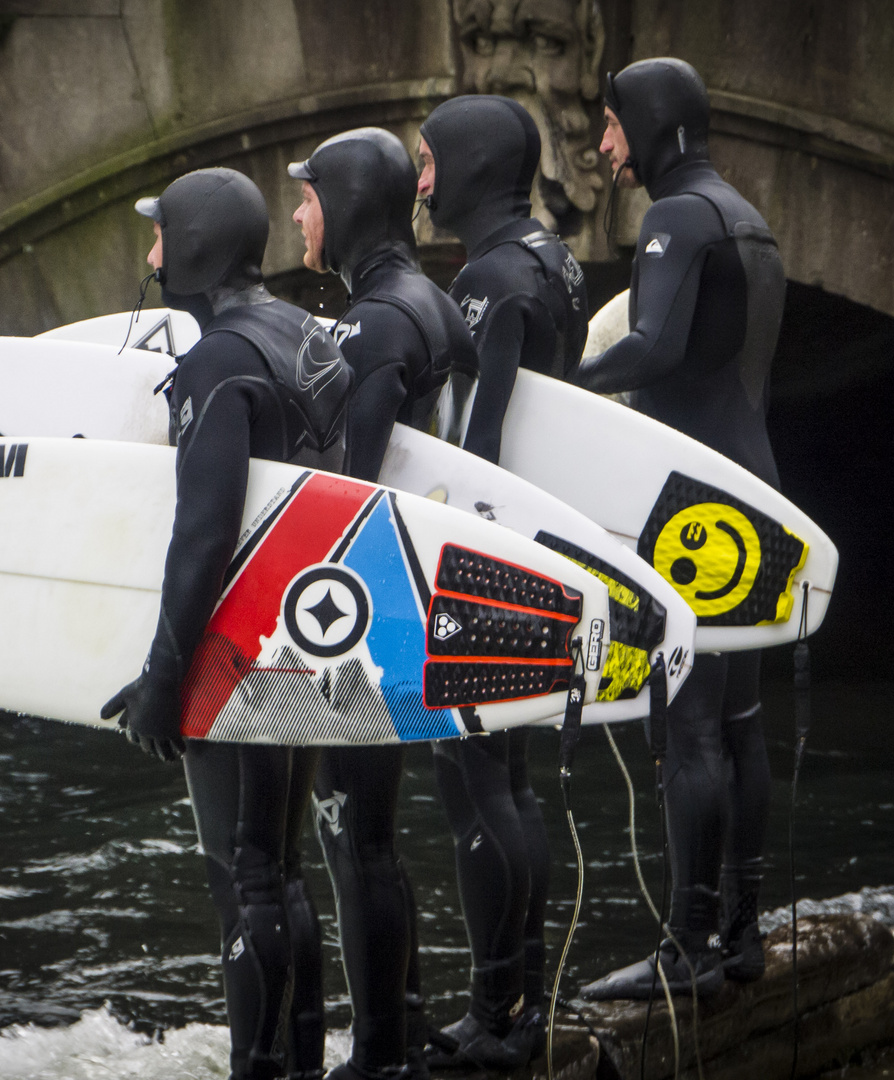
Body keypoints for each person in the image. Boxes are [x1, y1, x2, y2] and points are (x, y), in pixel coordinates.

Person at [101, 167, 352, 1080]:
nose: (153, 253)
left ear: (197, 246)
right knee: (283, 870)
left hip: (240, 654)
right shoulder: (302, 333)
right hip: (313, 642)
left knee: (243, 877)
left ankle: (260, 1069)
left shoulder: (219, 360)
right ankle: (299, 1065)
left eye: (163, 234)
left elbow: (203, 534)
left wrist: (165, 680)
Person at [570, 57, 786, 1000]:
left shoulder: (676, 217)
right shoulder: (749, 219)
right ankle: (740, 938)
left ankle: (685, 947)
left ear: (653, 124)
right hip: (758, 495)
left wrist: (559, 391)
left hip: (694, 510)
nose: (608, 147)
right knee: (741, 724)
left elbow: (653, 349)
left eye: (615, 126)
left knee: (688, 730)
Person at [288, 126, 479, 1080]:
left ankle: (376, 1056)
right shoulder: (434, 304)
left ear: (350, 203)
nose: (298, 212)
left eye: (311, 194)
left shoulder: (372, 324)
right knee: (375, 834)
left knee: (351, 836)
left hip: (367, 608)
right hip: (421, 590)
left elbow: (348, 488)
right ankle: (399, 1024)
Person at [412, 94, 589, 1070]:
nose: (422, 182)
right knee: (510, 783)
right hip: (543, 542)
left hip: (490, 550)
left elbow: (478, 443)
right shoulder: (556, 259)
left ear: (472, 166)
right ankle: (525, 1006)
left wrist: (444, 546)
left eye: (431, 162)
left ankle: (495, 1017)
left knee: (475, 779)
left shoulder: (488, 277)